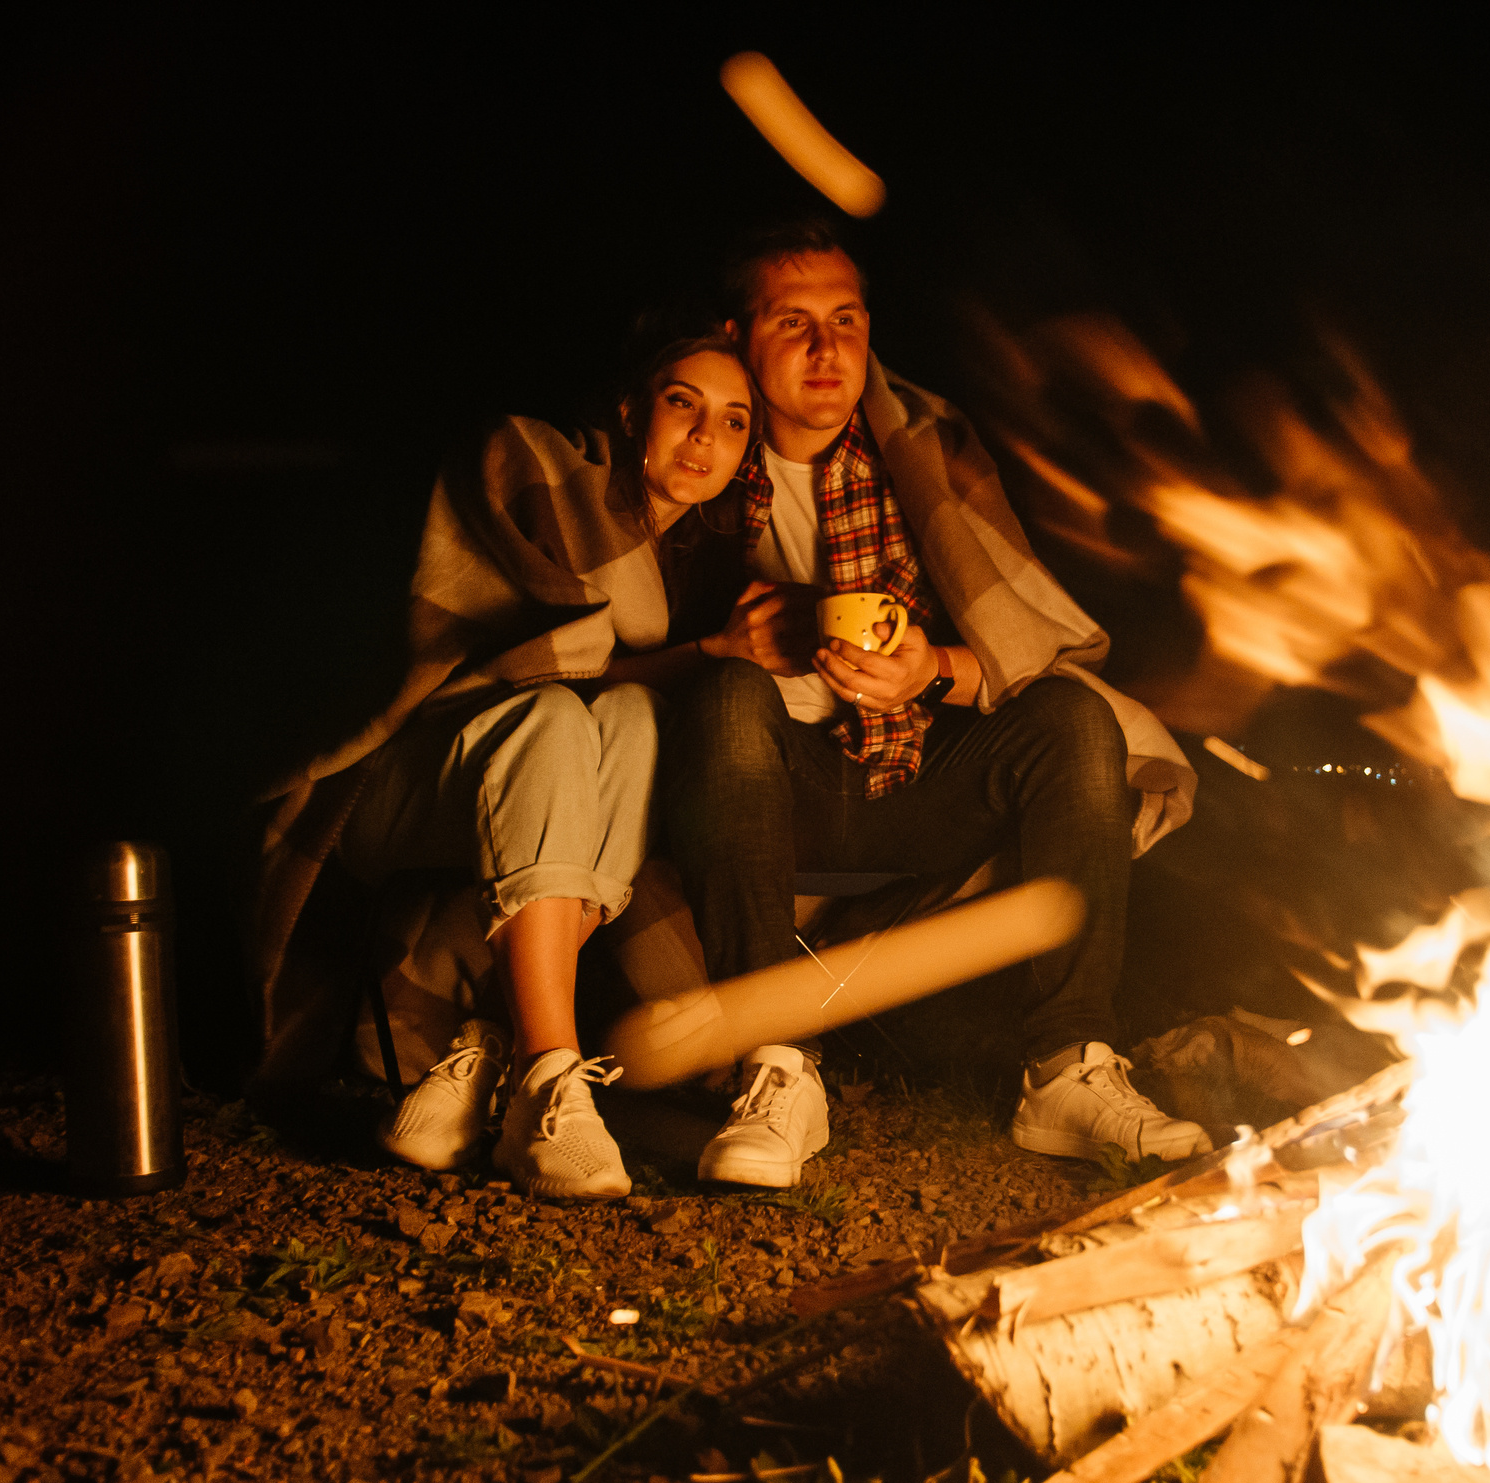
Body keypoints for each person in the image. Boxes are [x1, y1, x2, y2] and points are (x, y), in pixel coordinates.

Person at [665, 219, 1209, 1190]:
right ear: (737, 336)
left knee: (1070, 723)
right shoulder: (695, 453)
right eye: (792, 323)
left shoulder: (923, 448)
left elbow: (1029, 644)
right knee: (730, 694)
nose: (827, 350)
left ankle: (1066, 1071)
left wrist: (933, 671)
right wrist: (721, 644)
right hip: (758, 800)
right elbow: (609, 639)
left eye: (845, 319)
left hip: (916, 781)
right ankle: (777, 1066)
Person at [253, 334, 776, 1198]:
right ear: (628, 408)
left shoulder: (686, 569)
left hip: (521, 798)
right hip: (392, 782)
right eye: (683, 401)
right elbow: (523, 663)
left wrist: (709, 648)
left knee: (636, 715)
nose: (704, 436)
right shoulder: (541, 471)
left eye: (733, 420)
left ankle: (489, 1044)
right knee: (554, 722)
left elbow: (608, 676)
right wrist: (711, 652)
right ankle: (550, 1087)